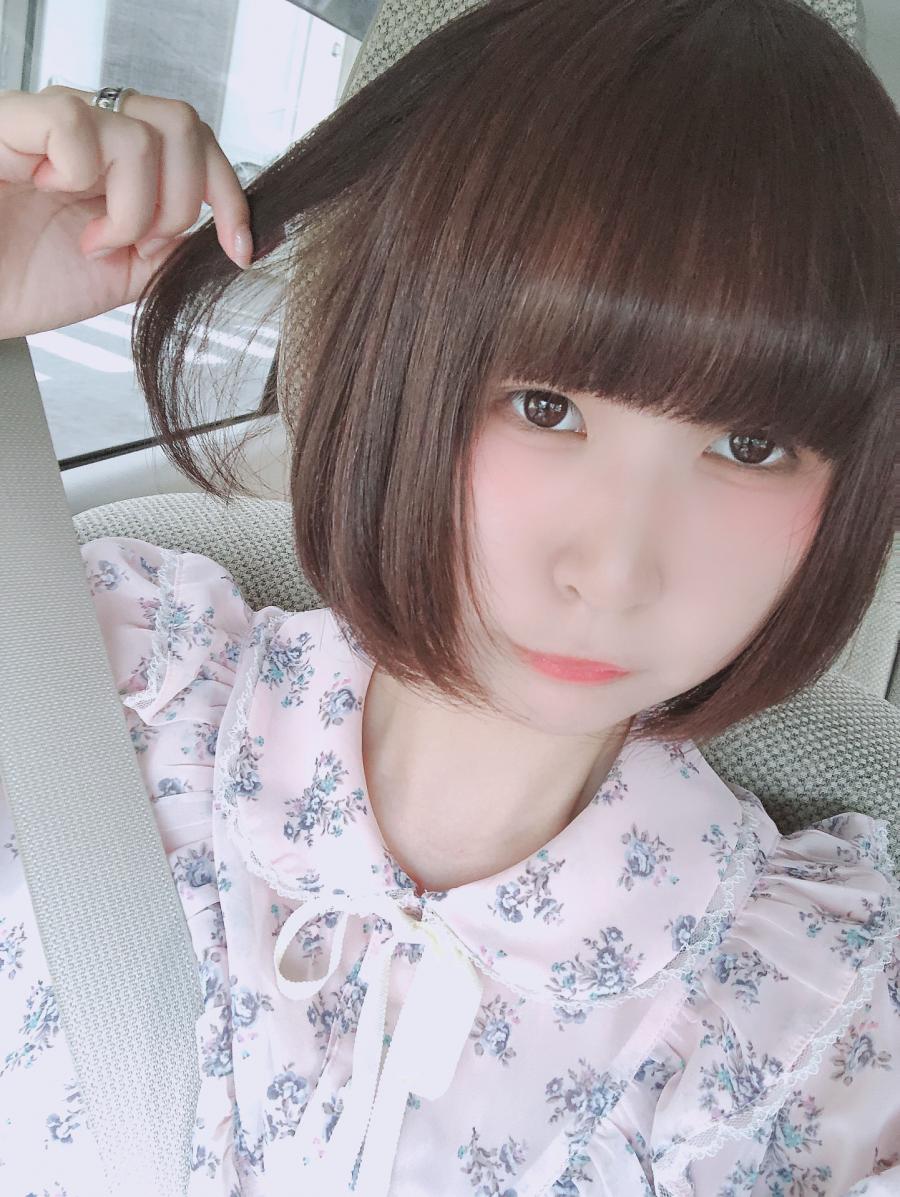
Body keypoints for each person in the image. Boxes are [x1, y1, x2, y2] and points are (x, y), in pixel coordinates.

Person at [1, 0, 898, 1193]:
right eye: (545, 407)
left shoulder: (812, 1027)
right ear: (389, 365)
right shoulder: (97, 685)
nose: (613, 572)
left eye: (749, 446)